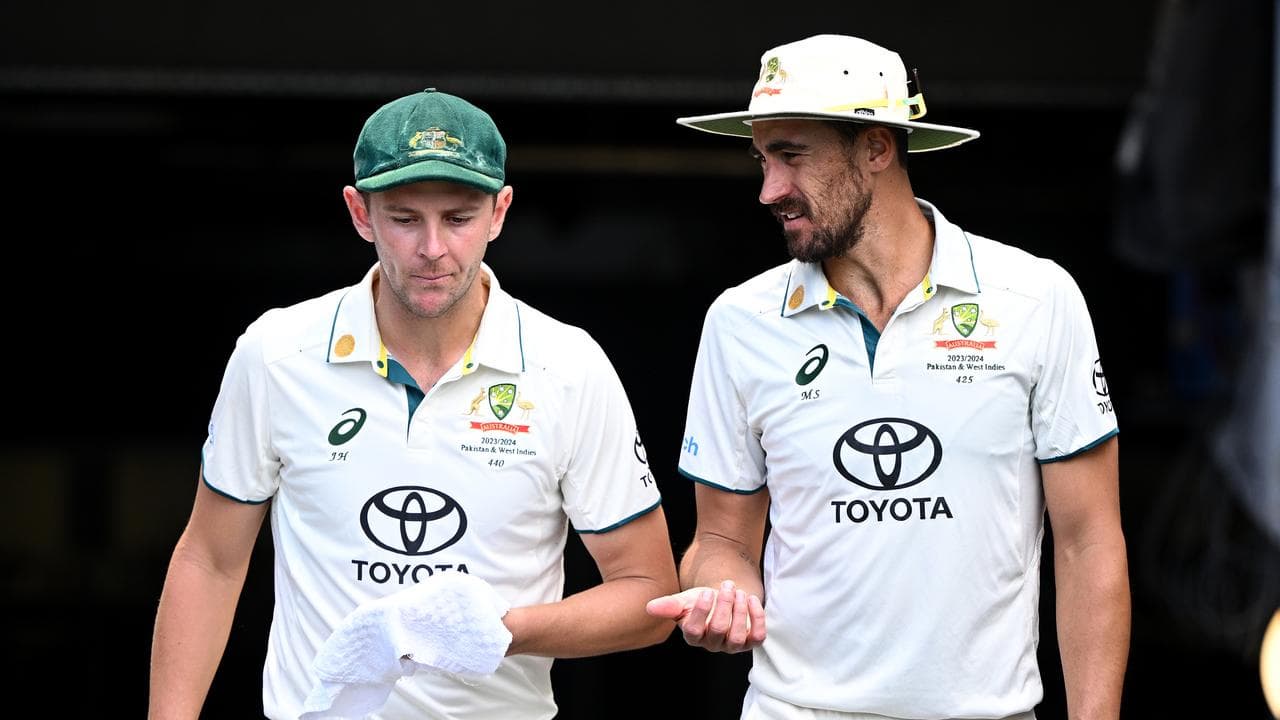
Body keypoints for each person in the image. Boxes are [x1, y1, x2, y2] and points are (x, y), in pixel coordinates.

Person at [149, 88, 679, 719]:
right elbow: (210, 560)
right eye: (404, 219)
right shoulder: (276, 354)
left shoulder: (570, 367)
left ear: (500, 211)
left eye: (458, 218)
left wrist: (503, 630)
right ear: (359, 212)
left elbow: (649, 594)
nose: (432, 249)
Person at [646, 34, 1130, 720]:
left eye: (791, 156)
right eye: (762, 158)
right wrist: (720, 593)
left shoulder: (1036, 298)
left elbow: (1089, 542)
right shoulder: (738, 320)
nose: (768, 190)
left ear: (877, 148)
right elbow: (721, 542)